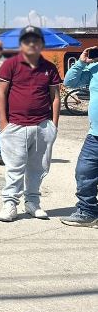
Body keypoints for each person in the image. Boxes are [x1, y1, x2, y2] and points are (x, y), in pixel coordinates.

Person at [0, 26, 61, 222]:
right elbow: (1, 93)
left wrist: (53, 125)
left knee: (38, 168)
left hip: (42, 126)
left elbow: (55, 97)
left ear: (41, 44)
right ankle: (9, 204)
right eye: (27, 40)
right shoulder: (10, 65)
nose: (32, 44)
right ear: (21, 44)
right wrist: (4, 123)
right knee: (14, 167)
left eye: (36, 40)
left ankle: (32, 202)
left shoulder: (49, 68)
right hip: (15, 125)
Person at [60, 46, 98, 227]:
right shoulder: (93, 68)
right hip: (95, 135)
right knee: (84, 172)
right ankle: (87, 211)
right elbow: (70, 82)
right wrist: (82, 62)